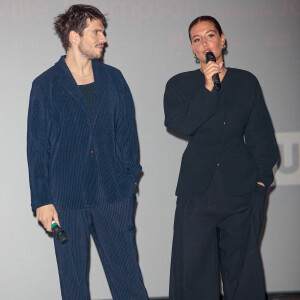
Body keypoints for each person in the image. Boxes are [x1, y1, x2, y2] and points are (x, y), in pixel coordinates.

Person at [27, 4, 148, 300]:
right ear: (74, 37)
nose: (103, 38)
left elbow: (128, 136)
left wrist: (128, 182)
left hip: (113, 196)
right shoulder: (45, 85)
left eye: (103, 31)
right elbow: (37, 149)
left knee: (129, 283)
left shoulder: (114, 79)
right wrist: (42, 200)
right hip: (66, 201)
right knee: (74, 288)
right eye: (96, 31)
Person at [164, 16, 278, 300]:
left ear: (223, 40)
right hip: (196, 193)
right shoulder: (179, 84)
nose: (205, 43)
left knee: (243, 276)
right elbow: (181, 124)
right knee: (195, 277)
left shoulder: (245, 81)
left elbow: (261, 136)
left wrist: (262, 183)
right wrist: (207, 87)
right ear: (192, 49)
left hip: (240, 192)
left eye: (210, 35)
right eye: (197, 39)